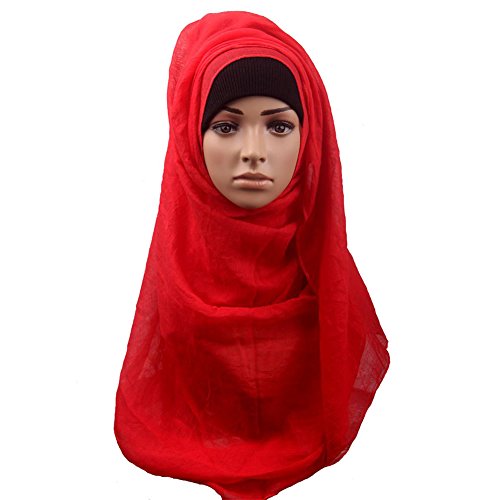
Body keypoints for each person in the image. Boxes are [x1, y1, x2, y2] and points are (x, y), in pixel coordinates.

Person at [114, 10, 390, 500]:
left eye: (279, 126)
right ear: (189, 140)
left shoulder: (328, 290)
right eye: (226, 126)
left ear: (311, 137)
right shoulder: (175, 277)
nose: (254, 151)